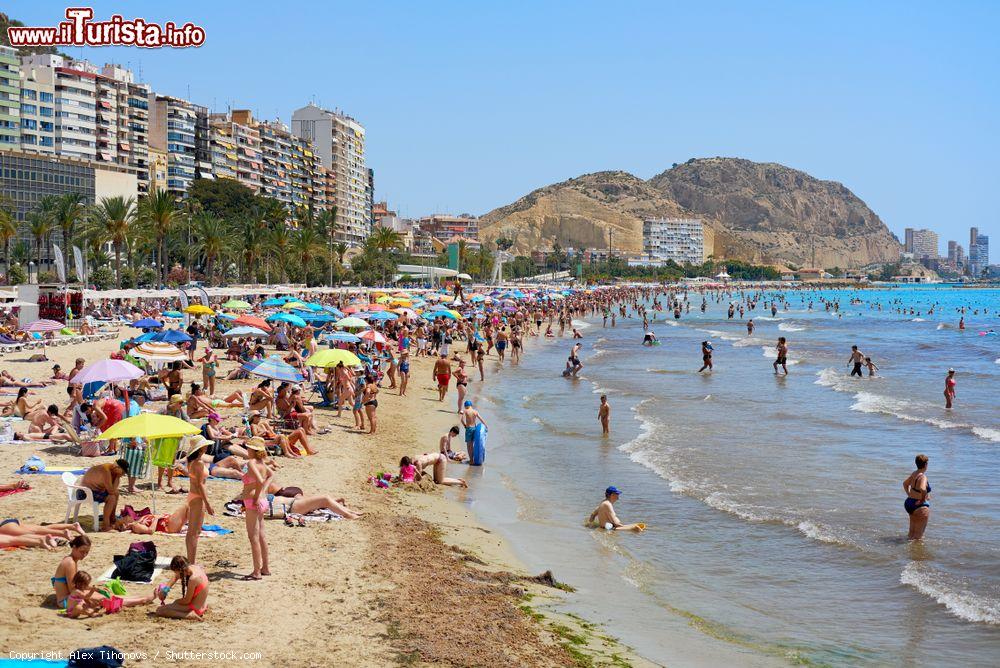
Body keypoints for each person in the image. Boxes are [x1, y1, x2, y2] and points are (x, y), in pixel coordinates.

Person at [239, 437, 272, 580]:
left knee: (253, 537)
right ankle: (265, 568)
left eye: (248, 448)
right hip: (262, 500)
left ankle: (256, 571)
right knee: (262, 536)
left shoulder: (252, 462)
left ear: (253, 450)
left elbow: (259, 480)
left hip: (253, 501)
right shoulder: (263, 464)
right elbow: (271, 475)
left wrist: (257, 495)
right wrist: (263, 492)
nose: (247, 450)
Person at [184, 436, 214, 564]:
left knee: (192, 532)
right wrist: (207, 503)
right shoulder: (199, 463)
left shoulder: (191, 462)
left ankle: (191, 560)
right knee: (194, 533)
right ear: (201, 448)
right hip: (198, 497)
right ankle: (192, 562)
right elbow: (201, 485)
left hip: (192, 495)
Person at [78, 459, 129, 531]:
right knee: (111, 498)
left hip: (92, 491)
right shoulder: (106, 470)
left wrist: (117, 477)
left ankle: (112, 518)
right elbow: (111, 491)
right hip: (84, 492)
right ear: (118, 468)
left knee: (116, 493)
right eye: (123, 472)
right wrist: (117, 477)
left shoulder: (112, 470)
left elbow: (114, 490)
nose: (123, 474)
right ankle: (106, 525)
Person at [156, 555, 209, 620]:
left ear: (181, 570)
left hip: (196, 609)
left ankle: (188, 615)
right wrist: (165, 590)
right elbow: (176, 576)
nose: (176, 574)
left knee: (160, 610)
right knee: (170, 606)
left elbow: (187, 601)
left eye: (176, 571)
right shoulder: (194, 567)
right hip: (203, 605)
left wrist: (175, 602)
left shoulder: (193, 579)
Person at [52, 535, 91, 609]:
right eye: (82, 551)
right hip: (66, 601)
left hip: (65, 599)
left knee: (99, 594)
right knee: (101, 597)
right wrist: (90, 590)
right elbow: (73, 589)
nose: (84, 555)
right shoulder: (70, 563)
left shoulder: (70, 559)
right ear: (74, 547)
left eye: (87, 552)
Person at [903, 454, 932, 540]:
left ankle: (907, 549)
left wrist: (909, 495)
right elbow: (922, 488)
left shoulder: (914, 473)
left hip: (909, 503)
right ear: (926, 465)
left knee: (911, 533)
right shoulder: (923, 477)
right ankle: (915, 552)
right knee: (918, 537)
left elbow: (905, 484)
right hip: (919, 506)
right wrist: (922, 500)